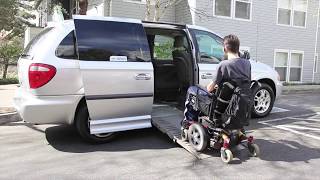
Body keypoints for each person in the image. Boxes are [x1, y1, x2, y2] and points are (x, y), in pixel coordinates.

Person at [206, 34, 251, 143]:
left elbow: (210, 88)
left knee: (194, 90)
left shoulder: (223, 65)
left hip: (223, 109)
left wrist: (214, 86)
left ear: (225, 48)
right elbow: (245, 83)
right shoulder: (247, 63)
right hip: (240, 106)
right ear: (238, 48)